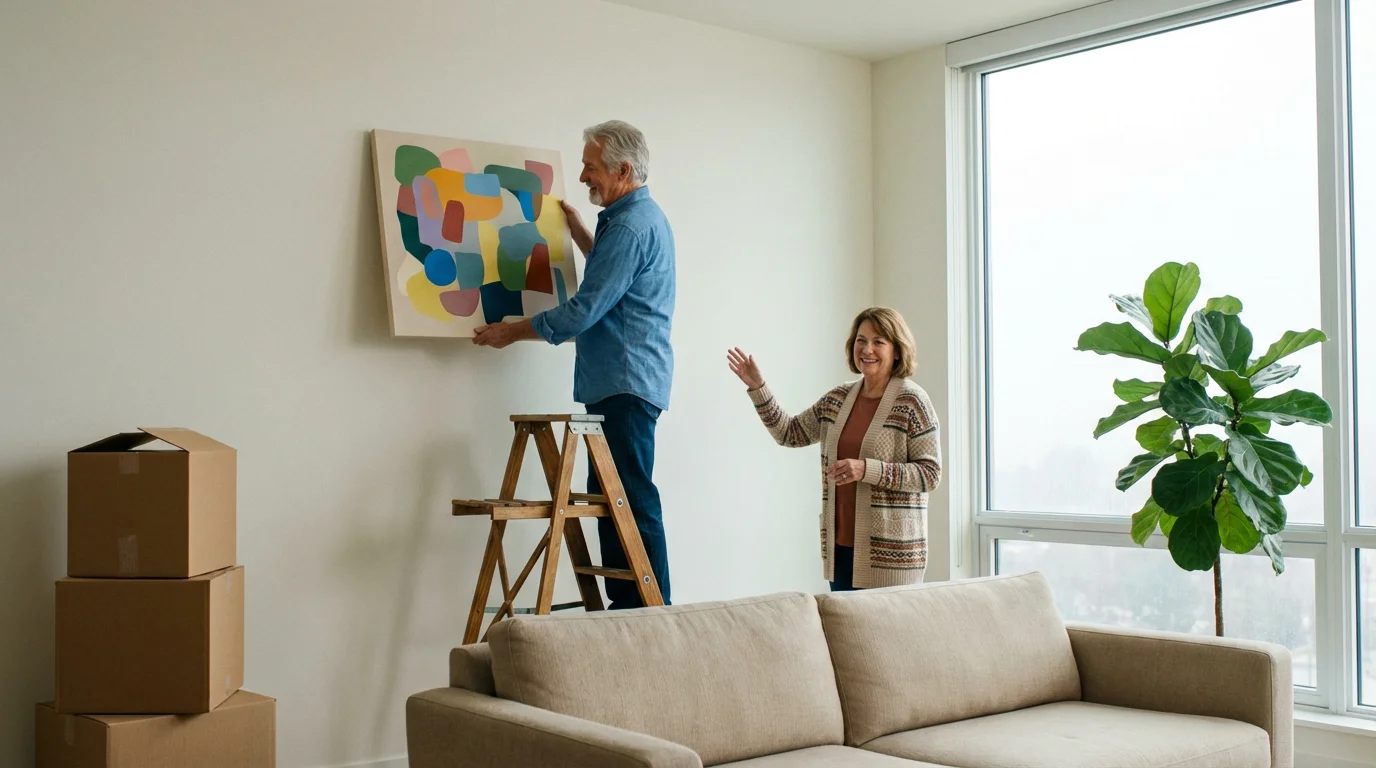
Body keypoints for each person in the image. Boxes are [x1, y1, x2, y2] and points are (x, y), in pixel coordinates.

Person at [473, 120, 675, 609]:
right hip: (619, 382)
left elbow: (586, 309)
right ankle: (627, 610)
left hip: (624, 384)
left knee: (627, 500)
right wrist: (584, 237)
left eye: (590, 167)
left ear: (623, 170)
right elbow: (615, 280)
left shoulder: (628, 226)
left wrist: (511, 331)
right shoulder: (633, 220)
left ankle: (648, 614)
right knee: (612, 500)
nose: (583, 176)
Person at [726, 307, 940, 591]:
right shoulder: (838, 399)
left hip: (892, 558)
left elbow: (930, 474)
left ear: (897, 350)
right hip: (840, 550)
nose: (867, 349)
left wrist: (866, 470)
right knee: (844, 635)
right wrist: (759, 388)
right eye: (861, 340)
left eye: (879, 341)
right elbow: (790, 433)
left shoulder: (913, 402)